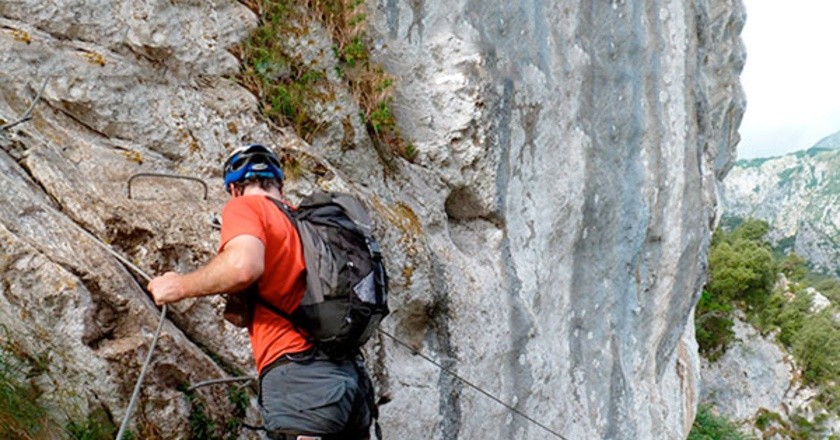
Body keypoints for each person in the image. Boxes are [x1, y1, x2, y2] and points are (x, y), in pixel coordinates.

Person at [148, 144, 375, 440]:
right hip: (351, 381)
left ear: (233, 189)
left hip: (302, 385)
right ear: (280, 185)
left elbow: (243, 266)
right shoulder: (308, 223)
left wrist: (179, 286)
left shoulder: (246, 207)